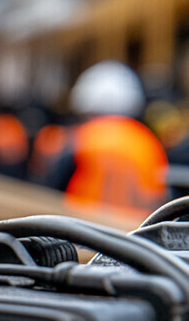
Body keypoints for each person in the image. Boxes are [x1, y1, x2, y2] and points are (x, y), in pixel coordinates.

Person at [48, 60, 168, 218]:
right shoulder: (148, 142)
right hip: (137, 237)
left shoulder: (82, 137)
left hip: (81, 232)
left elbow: (52, 191)